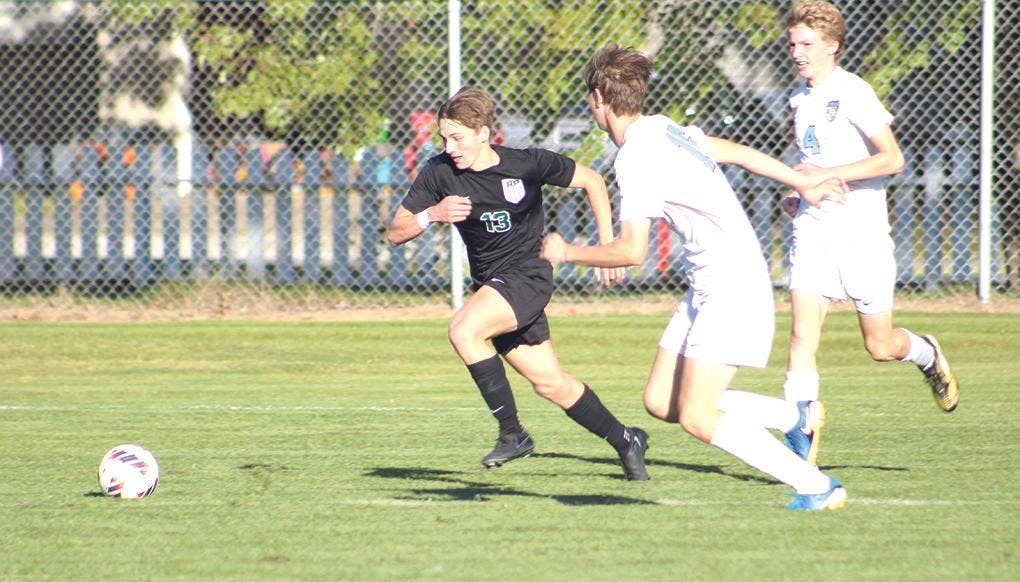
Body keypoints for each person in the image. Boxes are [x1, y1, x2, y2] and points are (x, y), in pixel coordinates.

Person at [541, 44, 848, 510]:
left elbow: (632, 251)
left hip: (732, 285)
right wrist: (800, 181)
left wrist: (568, 253)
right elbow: (738, 153)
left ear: (599, 100)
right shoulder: (662, 127)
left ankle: (814, 486)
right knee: (661, 401)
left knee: (699, 417)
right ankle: (793, 415)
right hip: (709, 283)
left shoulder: (635, 157)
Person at [386, 86, 649, 480]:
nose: (449, 145)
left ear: (483, 134)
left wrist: (608, 242)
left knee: (463, 330)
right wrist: (432, 215)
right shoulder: (439, 172)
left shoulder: (526, 164)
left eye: (457, 137)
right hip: (495, 287)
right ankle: (627, 440)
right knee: (551, 384)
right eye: (444, 137)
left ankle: (513, 434)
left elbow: (593, 181)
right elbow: (395, 231)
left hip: (528, 275)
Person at [780, 1, 958, 434]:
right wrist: (799, 191)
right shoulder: (798, 99)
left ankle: (925, 353)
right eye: (793, 44)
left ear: (832, 47)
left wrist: (828, 174)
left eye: (807, 44)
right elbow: (813, 162)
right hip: (814, 227)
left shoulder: (853, 92)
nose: (797, 52)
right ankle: (801, 437)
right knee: (803, 335)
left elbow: (892, 159)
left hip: (861, 234)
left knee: (879, 345)